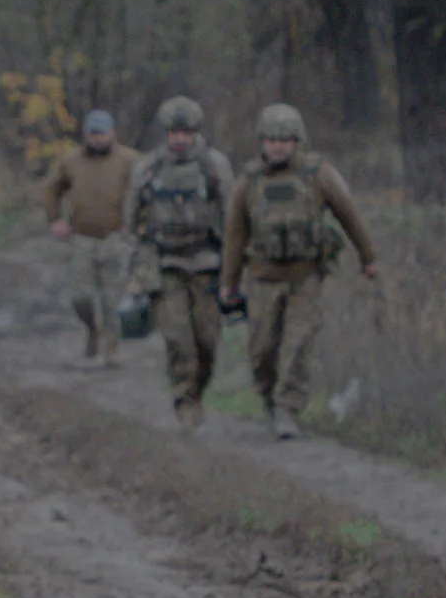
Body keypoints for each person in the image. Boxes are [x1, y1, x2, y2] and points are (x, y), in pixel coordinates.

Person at [219, 102, 379, 438]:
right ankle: (268, 398)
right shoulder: (249, 180)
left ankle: (286, 409)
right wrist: (228, 283)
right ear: (262, 142)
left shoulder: (318, 174)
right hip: (262, 279)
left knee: (298, 344)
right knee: (262, 350)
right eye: (272, 139)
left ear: (297, 141)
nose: (278, 145)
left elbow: (349, 215)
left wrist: (369, 257)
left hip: (305, 277)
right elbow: (235, 235)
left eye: (285, 139)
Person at [123, 96, 236, 432]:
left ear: (195, 132)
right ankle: (185, 403)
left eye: (186, 132)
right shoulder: (147, 168)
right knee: (178, 340)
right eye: (174, 132)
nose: (180, 139)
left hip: (207, 264)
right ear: (166, 133)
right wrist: (135, 271)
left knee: (207, 342)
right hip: (165, 265)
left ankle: (196, 392)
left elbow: (232, 219)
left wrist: (235, 270)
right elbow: (130, 223)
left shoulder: (214, 165)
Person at [42, 109, 140, 367]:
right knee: (80, 298)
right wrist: (54, 220)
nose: (98, 139)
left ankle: (111, 349)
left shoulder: (130, 160)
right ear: (86, 134)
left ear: (112, 133)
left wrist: (136, 224)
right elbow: (51, 189)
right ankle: (92, 328)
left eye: (102, 134)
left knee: (111, 300)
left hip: (114, 238)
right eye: (93, 134)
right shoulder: (71, 161)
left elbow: (145, 192)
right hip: (82, 239)